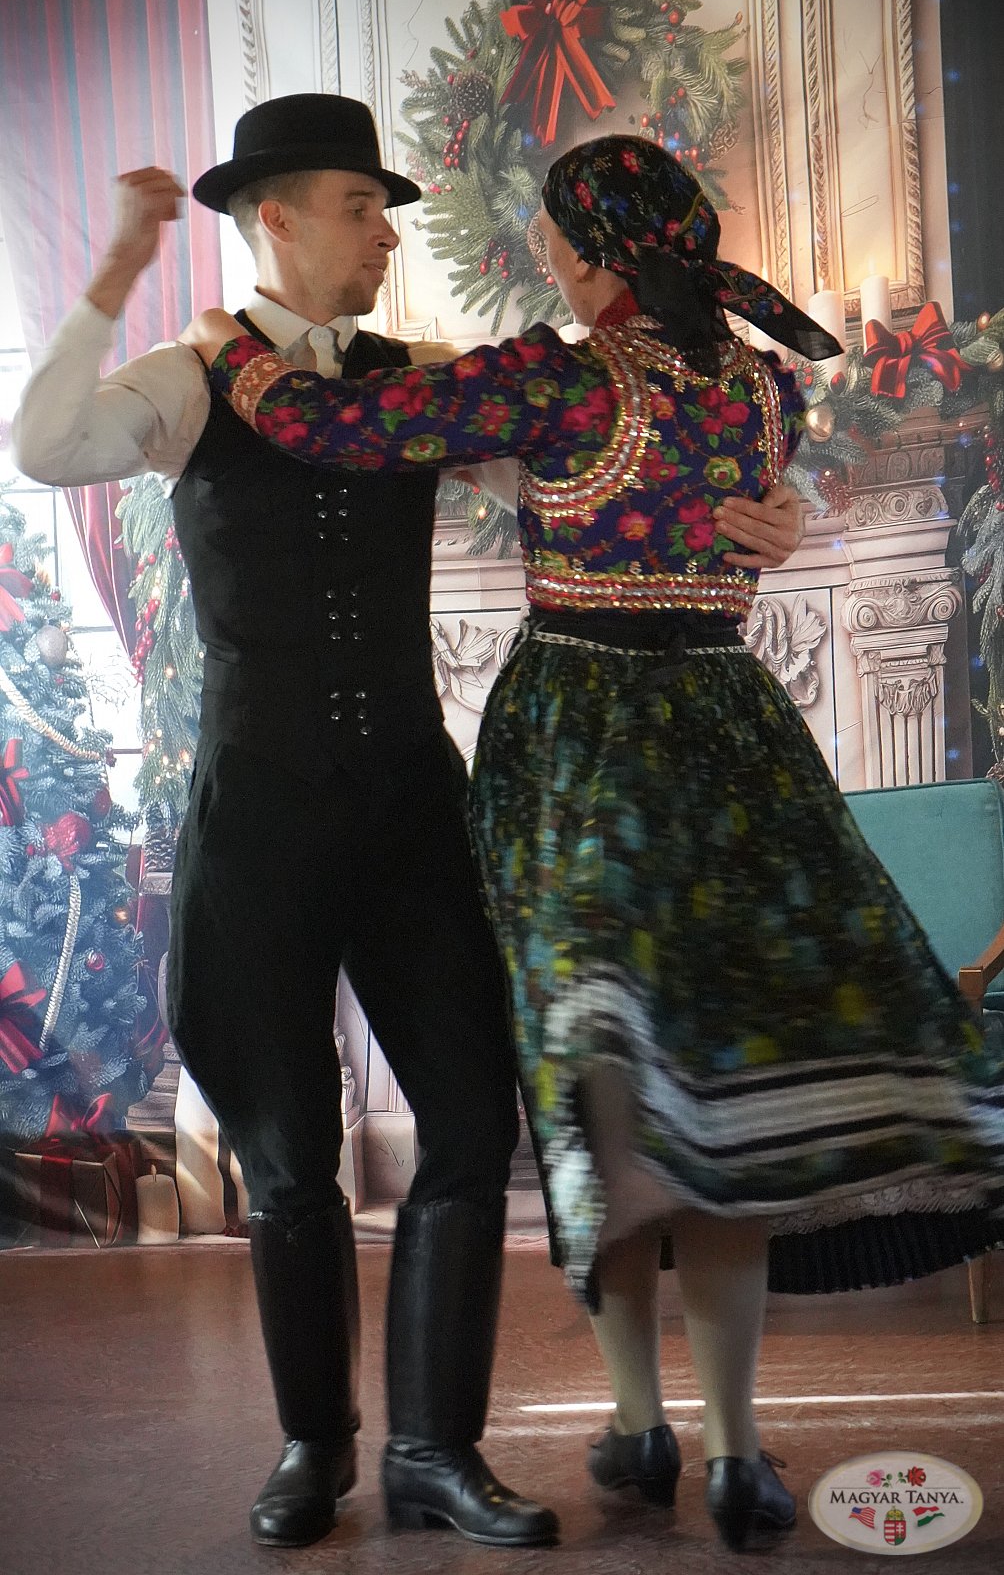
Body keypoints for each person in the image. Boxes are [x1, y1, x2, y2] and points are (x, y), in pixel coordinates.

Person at [183, 132, 1004, 1555]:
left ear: (595, 254)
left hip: (580, 748)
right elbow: (744, 519)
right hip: (731, 739)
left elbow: (336, 428)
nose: (549, 265)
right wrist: (776, 520)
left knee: (601, 1095)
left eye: (558, 243)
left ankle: (638, 1422)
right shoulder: (766, 386)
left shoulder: (559, 377)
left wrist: (226, 352)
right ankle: (735, 1448)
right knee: (722, 1087)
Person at [10, 99, 804, 1552]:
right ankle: (316, 1447)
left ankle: (438, 1449)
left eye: (388, 211)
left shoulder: (429, 380)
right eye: (361, 206)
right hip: (257, 812)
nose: (388, 234)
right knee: (287, 1151)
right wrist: (118, 266)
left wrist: (771, 513)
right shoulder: (187, 376)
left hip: (408, 804)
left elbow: (608, 477)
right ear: (275, 218)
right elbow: (50, 445)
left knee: (470, 1121)